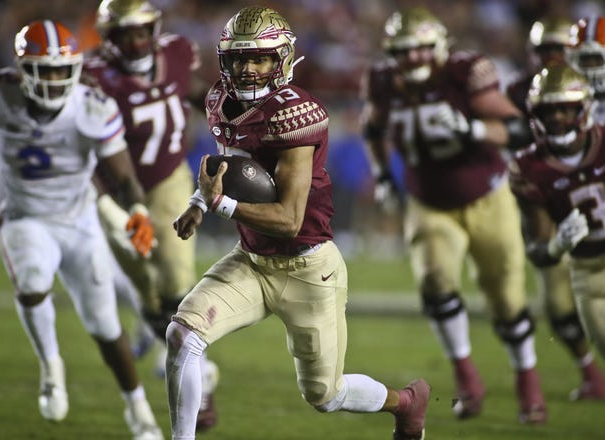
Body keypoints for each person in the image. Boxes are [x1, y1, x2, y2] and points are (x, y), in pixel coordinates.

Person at [166, 6, 430, 440]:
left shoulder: (296, 114)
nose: (248, 70)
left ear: (283, 59)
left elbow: (289, 220)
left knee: (325, 394)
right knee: (182, 336)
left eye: (260, 59)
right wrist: (200, 201)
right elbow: (233, 168)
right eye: (239, 59)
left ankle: (405, 403)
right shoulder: (220, 100)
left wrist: (220, 206)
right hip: (251, 261)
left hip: (308, 268)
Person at [0, 20, 163, 440]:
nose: (54, 78)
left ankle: (137, 407)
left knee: (104, 325)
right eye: (43, 69)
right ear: (23, 68)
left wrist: (136, 209)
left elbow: (123, 174)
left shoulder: (92, 107)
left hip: (80, 220)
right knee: (31, 282)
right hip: (26, 216)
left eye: (62, 69)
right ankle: (51, 367)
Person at [361, 6, 547, 424]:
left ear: (440, 46)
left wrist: (472, 129)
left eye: (423, 50)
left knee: (507, 297)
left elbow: (517, 129)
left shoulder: (465, 73)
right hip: (428, 201)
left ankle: (527, 379)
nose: (414, 60)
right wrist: (384, 177)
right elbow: (372, 129)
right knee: (435, 283)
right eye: (405, 51)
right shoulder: (383, 81)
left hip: (487, 196)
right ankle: (467, 378)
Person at [82, 0, 219, 430]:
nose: (138, 42)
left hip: (166, 179)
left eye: (143, 31)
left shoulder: (176, 53)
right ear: (111, 37)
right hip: (113, 190)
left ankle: (203, 380)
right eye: (128, 33)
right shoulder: (94, 76)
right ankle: (154, 326)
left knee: (178, 280)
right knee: (145, 284)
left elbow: (196, 92)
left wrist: (227, 120)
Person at [506, 17, 605, 401]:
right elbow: (539, 243)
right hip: (578, 249)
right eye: (544, 50)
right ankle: (590, 374)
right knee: (557, 301)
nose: (553, 57)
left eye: (558, 49)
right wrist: (556, 246)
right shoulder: (530, 161)